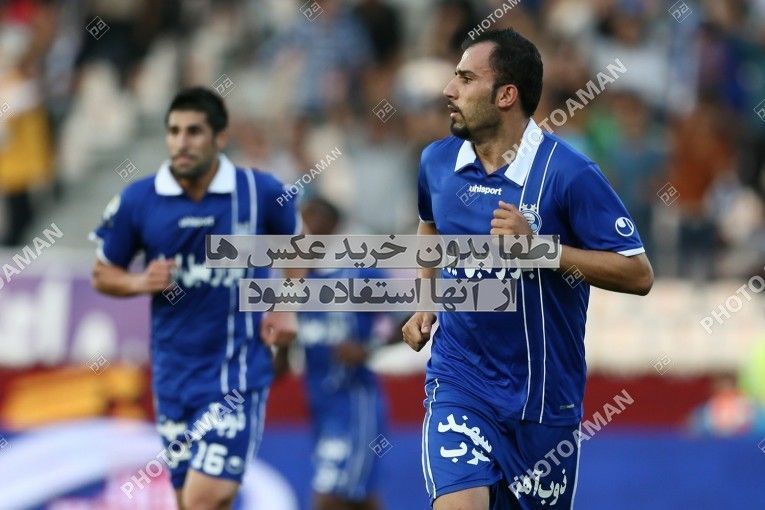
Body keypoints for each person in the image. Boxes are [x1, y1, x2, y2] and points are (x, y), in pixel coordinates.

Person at [401, 29, 653, 510]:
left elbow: (638, 273)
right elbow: (429, 223)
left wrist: (541, 251)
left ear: (506, 95)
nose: (449, 90)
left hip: (544, 404)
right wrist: (424, 300)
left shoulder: (569, 173)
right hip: (460, 383)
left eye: (465, 79)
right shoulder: (436, 162)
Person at [90, 87, 302, 510]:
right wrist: (139, 282)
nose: (181, 142)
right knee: (188, 501)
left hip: (236, 374)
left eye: (193, 132)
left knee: (205, 498)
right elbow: (103, 272)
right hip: (173, 377)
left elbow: (299, 246)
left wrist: (285, 304)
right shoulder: (139, 200)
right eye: (173, 132)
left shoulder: (257, 191)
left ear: (220, 137)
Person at [293, 196, 389, 510]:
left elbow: (409, 318)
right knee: (357, 496)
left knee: (329, 495)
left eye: (309, 219)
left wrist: (368, 348)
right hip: (319, 403)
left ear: (331, 224)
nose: (301, 228)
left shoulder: (358, 273)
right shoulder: (295, 280)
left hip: (354, 402)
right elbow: (283, 348)